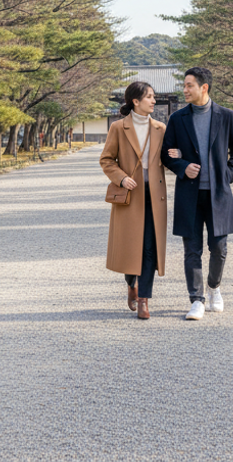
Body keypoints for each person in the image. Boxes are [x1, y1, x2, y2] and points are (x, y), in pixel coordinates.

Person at [161, 67, 233, 321]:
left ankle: (214, 288)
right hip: (189, 193)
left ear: (204, 87)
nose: (184, 90)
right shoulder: (178, 118)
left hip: (218, 194)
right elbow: (166, 153)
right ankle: (196, 299)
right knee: (192, 249)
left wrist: (226, 176)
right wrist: (183, 166)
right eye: (184, 85)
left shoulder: (226, 116)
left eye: (189, 85)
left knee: (219, 248)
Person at [99, 81, 168, 320]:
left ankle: (143, 300)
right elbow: (107, 160)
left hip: (154, 197)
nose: (154, 100)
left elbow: (166, 160)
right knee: (131, 247)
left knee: (149, 247)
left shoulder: (161, 128)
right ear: (135, 101)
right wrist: (121, 178)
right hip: (130, 196)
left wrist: (176, 156)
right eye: (149, 97)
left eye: (154, 96)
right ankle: (131, 283)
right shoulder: (119, 127)